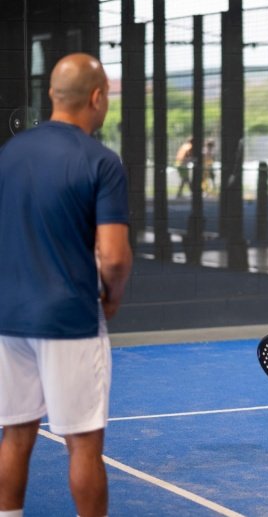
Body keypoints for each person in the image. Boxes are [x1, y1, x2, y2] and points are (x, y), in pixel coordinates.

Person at [0, 53, 132, 517]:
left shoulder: (8, 154)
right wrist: (112, 299)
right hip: (70, 319)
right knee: (82, 444)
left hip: (8, 318)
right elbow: (114, 256)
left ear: (54, 95)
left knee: (16, 433)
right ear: (97, 98)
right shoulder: (101, 160)